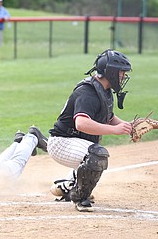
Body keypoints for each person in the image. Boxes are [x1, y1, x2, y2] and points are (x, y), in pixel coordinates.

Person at [47, 49, 132, 212]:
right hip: (62, 143)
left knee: (95, 153)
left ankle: (67, 186)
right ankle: (79, 197)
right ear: (111, 72)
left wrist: (128, 127)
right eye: (121, 72)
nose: (123, 76)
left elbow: (109, 117)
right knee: (98, 155)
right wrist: (115, 130)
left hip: (75, 143)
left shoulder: (104, 90)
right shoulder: (88, 92)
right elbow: (81, 123)